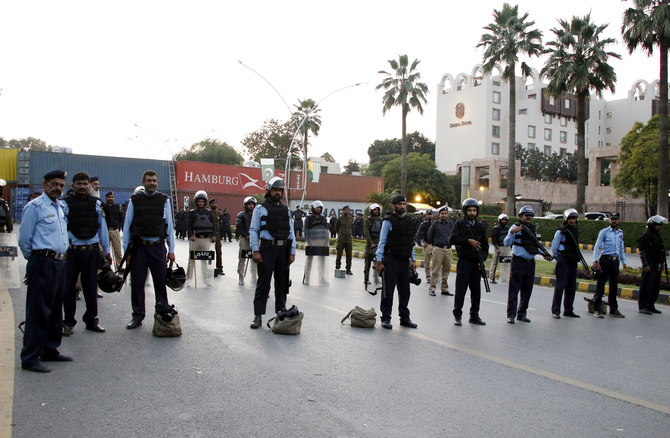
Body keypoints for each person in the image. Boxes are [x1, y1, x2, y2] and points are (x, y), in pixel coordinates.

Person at [18, 170, 72, 373]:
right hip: (43, 262)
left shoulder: (60, 207)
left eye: (61, 185)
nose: (58, 188)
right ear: (45, 184)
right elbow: (24, 239)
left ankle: (50, 349)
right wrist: (35, 261)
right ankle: (30, 357)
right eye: (54, 184)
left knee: (55, 309)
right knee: (38, 311)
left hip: (59, 263)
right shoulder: (35, 207)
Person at [122, 170, 176, 329]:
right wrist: (127, 252)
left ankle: (163, 314)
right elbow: (127, 227)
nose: (151, 183)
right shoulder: (134, 201)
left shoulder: (164, 201)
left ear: (157, 182)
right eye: (148, 180)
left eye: (154, 180)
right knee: (137, 283)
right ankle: (137, 316)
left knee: (160, 283)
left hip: (158, 248)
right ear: (143, 182)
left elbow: (169, 226)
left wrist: (171, 249)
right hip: (139, 248)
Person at [62, 171, 112, 335]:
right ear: (73, 186)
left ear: (89, 185)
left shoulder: (96, 204)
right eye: (79, 184)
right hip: (72, 253)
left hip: (91, 253)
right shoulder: (65, 205)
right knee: (68, 288)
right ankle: (68, 322)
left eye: (85, 184)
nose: (82, 187)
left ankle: (92, 321)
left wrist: (106, 250)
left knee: (91, 288)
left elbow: (102, 228)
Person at [249, 177, 296, 329]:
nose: (277, 193)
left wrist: (292, 251)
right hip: (267, 249)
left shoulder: (285, 210)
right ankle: (258, 316)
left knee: (282, 284)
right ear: (269, 191)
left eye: (280, 190)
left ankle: (280, 312)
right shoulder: (259, 209)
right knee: (263, 284)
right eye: (275, 190)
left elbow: (291, 232)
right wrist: (255, 250)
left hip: (283, 249)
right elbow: (254, 230)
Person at [375, 195, 418, 330]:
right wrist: (378, 261)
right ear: (393, 206)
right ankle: (386, 318)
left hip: (404, 260)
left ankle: (404, 318)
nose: (402, 206)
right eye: (399, 204)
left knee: (405, 291)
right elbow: (382, 242)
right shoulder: (388, 221)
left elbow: (410, 242)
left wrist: (413, 259)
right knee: (388, 291)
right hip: (391, 260)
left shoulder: (409, 221)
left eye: (404, 204)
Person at [504, 206, 552, 324]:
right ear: (521, 216)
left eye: (530, 215)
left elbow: (534, 245)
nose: (528, 217)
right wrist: (511, 233)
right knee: (514, 290)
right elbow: (506, 242)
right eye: (526, 215)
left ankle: (522, 314)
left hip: (530, 263)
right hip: (518, 262)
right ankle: (511, 315)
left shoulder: (532, 229)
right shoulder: (516, 227)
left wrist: (543, 254)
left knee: (527, 290)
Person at [449, 199, 487, 326]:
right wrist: (467, 241)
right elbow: (453, 239)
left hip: (476, 263)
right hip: (464, 261)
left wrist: (482, 259)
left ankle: (474, 315)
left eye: (474, 210)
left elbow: (485, 247)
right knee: (461, 289)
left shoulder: (480, 227)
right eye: (470, 210)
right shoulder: (459, 224)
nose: (472, 213)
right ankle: (457, 315)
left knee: (476, 291)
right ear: (465, 211)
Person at [592, 212, 627, 319]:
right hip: (605, 260)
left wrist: (623, 262)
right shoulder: (604, 232)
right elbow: (597, 247)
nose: (614, 221)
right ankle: (597, 309)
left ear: (618, 220)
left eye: (615, 219)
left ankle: (613, 309)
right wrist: (596, 261)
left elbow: (621, 249)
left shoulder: (620, 233)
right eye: (612, 219)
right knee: (601, 285)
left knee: (614, 286)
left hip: (615, 261)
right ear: (609, 220)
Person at [549, 209, 583, 319]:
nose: (572, 221)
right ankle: (556, 310)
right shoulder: (561, 231)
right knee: (560, 286)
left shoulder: (575, 231)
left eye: (574, 219)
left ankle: (568, 310)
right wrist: (559, 258)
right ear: (566, 219)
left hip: (573, 260)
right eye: (570, 219)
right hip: (563, 260)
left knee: (571, 287)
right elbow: (554, 247)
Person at [637, 215, 667, 315]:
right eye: (658, 225)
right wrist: (645, 264)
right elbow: (642, 252)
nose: (660, 227)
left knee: (655, 287)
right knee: (647, 286)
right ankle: (643, 306)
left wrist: (662, 263)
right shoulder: (645, 237)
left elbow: (660, 251)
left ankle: (650, 305)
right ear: (652, 225)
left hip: (657, 264)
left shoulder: (657, 236)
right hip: (650, 265)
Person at [186, 190, 217, 284]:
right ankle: (189, 279)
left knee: (205, 260)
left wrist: (213, 236)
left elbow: (214, 226)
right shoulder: (191, 213)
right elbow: (189, 226)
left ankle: (205, 279)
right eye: (199, 201)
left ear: (205, 202)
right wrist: (191, 235)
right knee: (192, 260)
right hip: (195, 238)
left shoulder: (209, 213)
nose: (201, 203)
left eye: (202, 202)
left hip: (206, 239)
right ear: (196, 202)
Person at [303, 200, 330, 285]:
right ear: (313, 208)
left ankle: (321, 278)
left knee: (322, 262)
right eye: (317, 208)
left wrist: (326, 241)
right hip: (312, 242)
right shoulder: (309, 218)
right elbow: (306, 230)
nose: (318, 209)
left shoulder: (323, 218)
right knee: (309, 261)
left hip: (322, 242)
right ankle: (307, 279)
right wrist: (308, 241)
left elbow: (326, 230)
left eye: (319, 208)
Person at [428, 209, 454, 296]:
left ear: (448, 215)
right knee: (435, 270)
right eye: (442, 213)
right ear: (439, 215)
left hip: (448, 249)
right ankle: (432, 288)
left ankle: (444, 289)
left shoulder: (450, 224)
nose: (444, 215)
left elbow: (453, 235)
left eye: (445, 214)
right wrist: (434, 245)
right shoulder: (435, 224)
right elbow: (430, 235)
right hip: (438, 249)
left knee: (446, 270)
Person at [236, 196, 257, 285]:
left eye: (252, 204)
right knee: (242, 258)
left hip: (255, 239)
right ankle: (241, 275)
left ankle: (254, 275)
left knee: (255, 258)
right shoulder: (241, 215)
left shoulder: (257, 215)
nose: (251, 206)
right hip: (245, 239)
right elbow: (239, 227)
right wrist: (246, 235)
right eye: (249, 204)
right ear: (245, 205)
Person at [102, 191, 124, 270]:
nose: (110, 199)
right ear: (106, 198)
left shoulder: (117, 207)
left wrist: (120, 228)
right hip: (105, 231)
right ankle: (106, 267)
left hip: (115, 230)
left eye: (112, 197)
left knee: (118, 250)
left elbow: (121, 218)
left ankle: (119, 266)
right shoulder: (103, 207)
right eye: (109, 197)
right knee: (105, 251)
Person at [364, 203, 383, 286]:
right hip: (370, 245)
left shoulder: (381, 221)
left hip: (379, 244)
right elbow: (366, 233)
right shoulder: (368, 221)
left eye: (377, 210)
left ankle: (376, 277)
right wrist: (371, 243)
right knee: (368, 263)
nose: (376, 211)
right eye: (374, 210)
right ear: (371, 211)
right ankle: (366, 278)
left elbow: (383, 232)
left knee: (377, 261)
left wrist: (381, 243)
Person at [489, 213, 510, 284]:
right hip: (498, 247)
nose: (504, 222)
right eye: (502, 220)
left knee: (506, 263)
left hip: (506, 247)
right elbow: (494, 240)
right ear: (499, 221)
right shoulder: (496, 229)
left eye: (505, 220)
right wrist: (497, 248)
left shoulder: (508, 229)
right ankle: (492, 277)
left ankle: (503, 277)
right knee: (495, 263)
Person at [415, 210, 434, 284]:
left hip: (435, 245)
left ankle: (436, 277)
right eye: (428, 214)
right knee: (427, 262)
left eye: (431, 214)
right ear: (426, 216)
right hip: (427, 244)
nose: (430, 216)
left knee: (437, 262)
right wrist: (420, 244)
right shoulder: (423, 224)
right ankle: (428, 277)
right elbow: (418, 234)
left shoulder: (436, 223)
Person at [335, 206, 354, 275]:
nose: (346, 211)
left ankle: (348, 269)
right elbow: (336, 228)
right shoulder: (339, 219)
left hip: (349, 240)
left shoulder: (351, 219)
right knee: (339, 255)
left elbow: (352, 228)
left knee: (349, 255)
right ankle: (337, 267)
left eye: (347, 210)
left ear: (349, 211)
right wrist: (340, 234)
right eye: (345, 210)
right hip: (341, 240)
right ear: (342, 211)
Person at [209, 198, 225, 277]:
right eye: (212, 203)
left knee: (219, 251)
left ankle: (219, 268)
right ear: (210, 204)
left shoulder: (220, 213)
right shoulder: (208, 213)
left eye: (215, 203)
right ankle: (208, 268)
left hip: (218, 234)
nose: (214, 205)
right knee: (209, 252)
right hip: (209, 234)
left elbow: (222, 223)